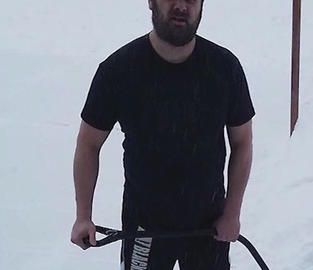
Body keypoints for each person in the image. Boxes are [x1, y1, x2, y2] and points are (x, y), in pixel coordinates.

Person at [70, 0, 255, 269]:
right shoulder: (119, 70)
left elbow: (242, 143)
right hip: (145, 226)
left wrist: (232, 213)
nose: (181, 6)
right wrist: (83, 215)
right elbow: (88, 144)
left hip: (209, 227)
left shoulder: (225, 68)